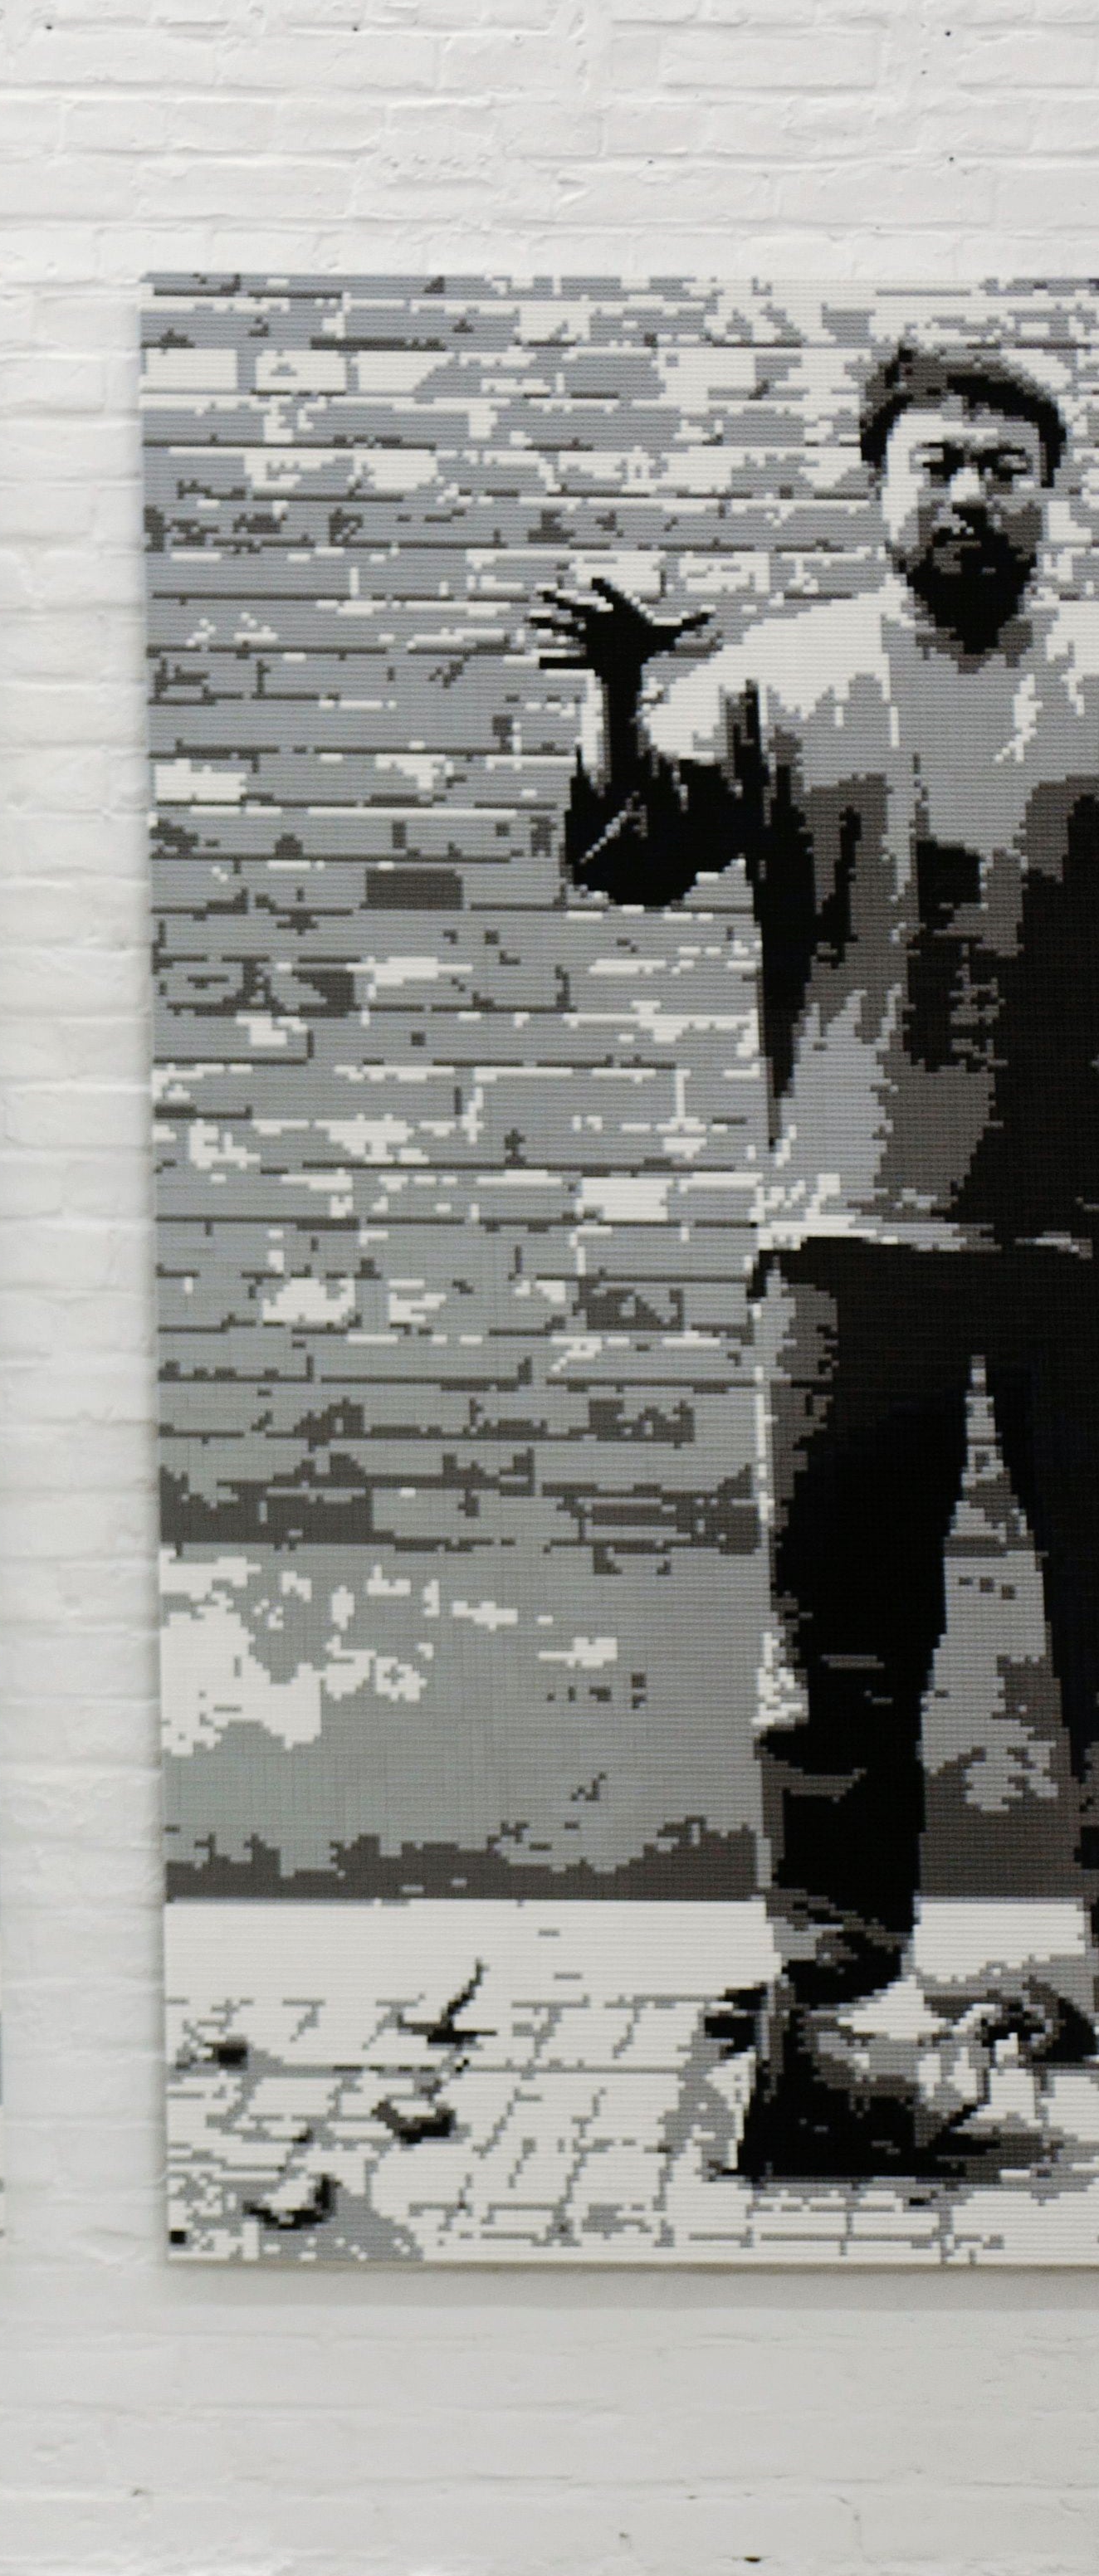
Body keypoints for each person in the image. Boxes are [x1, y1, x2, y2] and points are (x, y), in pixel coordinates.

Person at [542, 336, 1099, 2171]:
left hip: (1083, 1247)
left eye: (1006, 467)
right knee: (842, 1649)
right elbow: (627, 851)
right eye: (938, 461)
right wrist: (620, 692)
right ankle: (837, 2003)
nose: (970, 494)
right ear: (879, 484)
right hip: (848, 1241)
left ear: (1050, 493)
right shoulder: (778, 678)